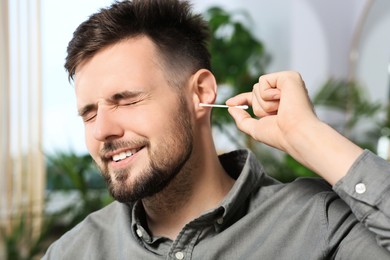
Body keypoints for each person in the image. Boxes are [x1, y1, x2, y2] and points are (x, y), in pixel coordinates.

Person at [43, 0, 390, 259]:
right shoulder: (72, 251)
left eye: (127, 100)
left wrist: (308, 135)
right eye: (88, 114)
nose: (102, 129)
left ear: (201, 93)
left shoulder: (319, 224)